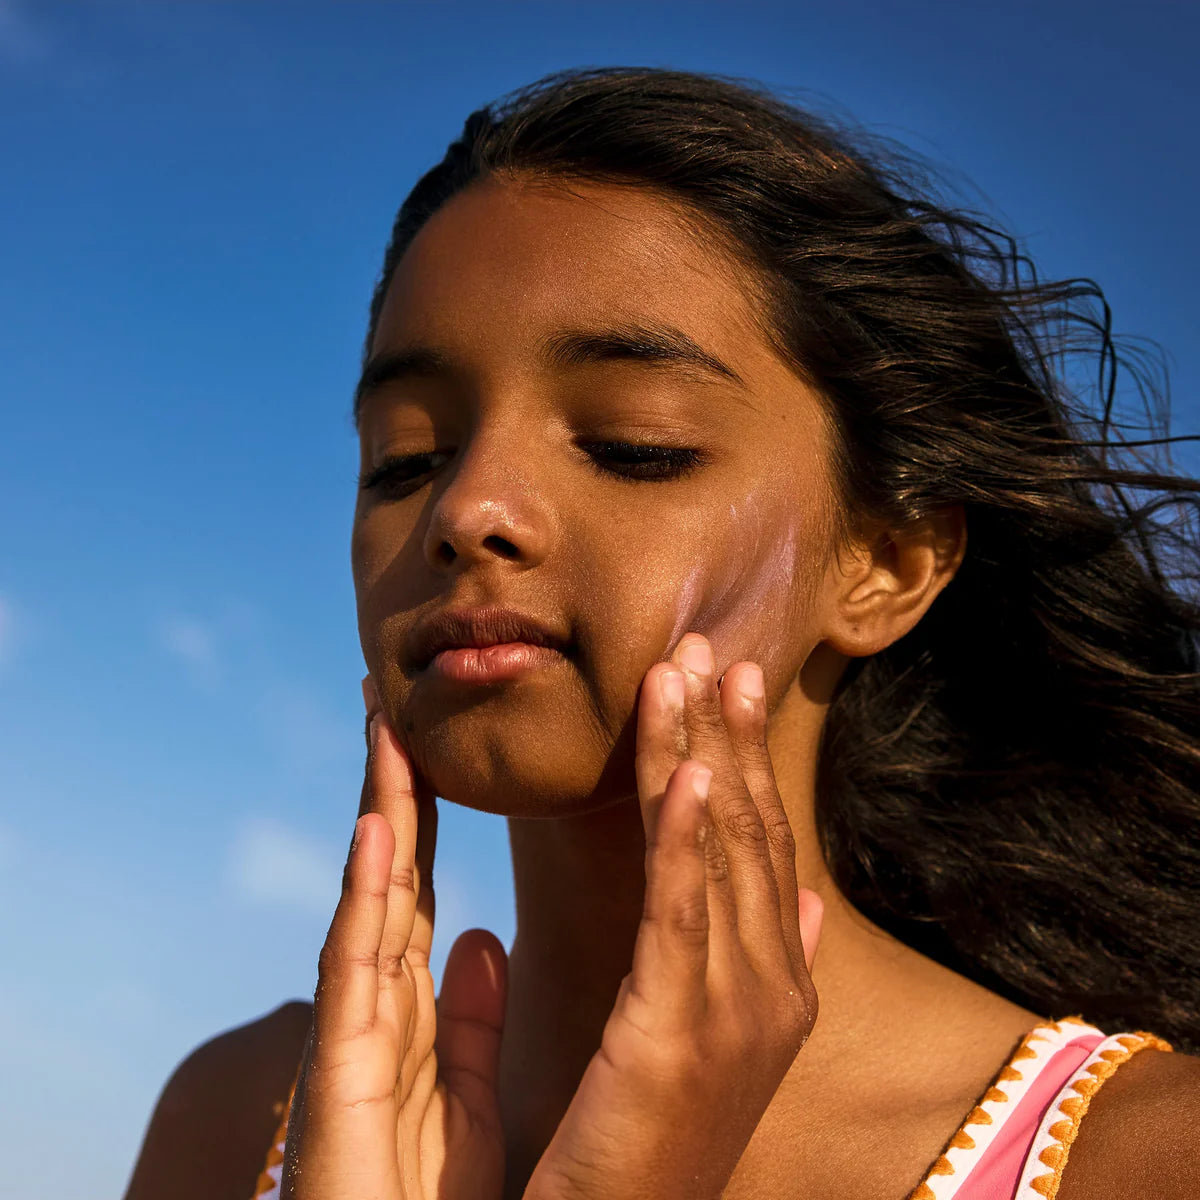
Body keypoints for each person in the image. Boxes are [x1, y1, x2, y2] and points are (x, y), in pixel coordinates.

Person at [122, 67, 1200, 1200]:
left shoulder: (1141, 1159)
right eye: (407, 455)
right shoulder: (241, 1115)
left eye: (637, 443)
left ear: (888, 563)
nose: (467, 510)